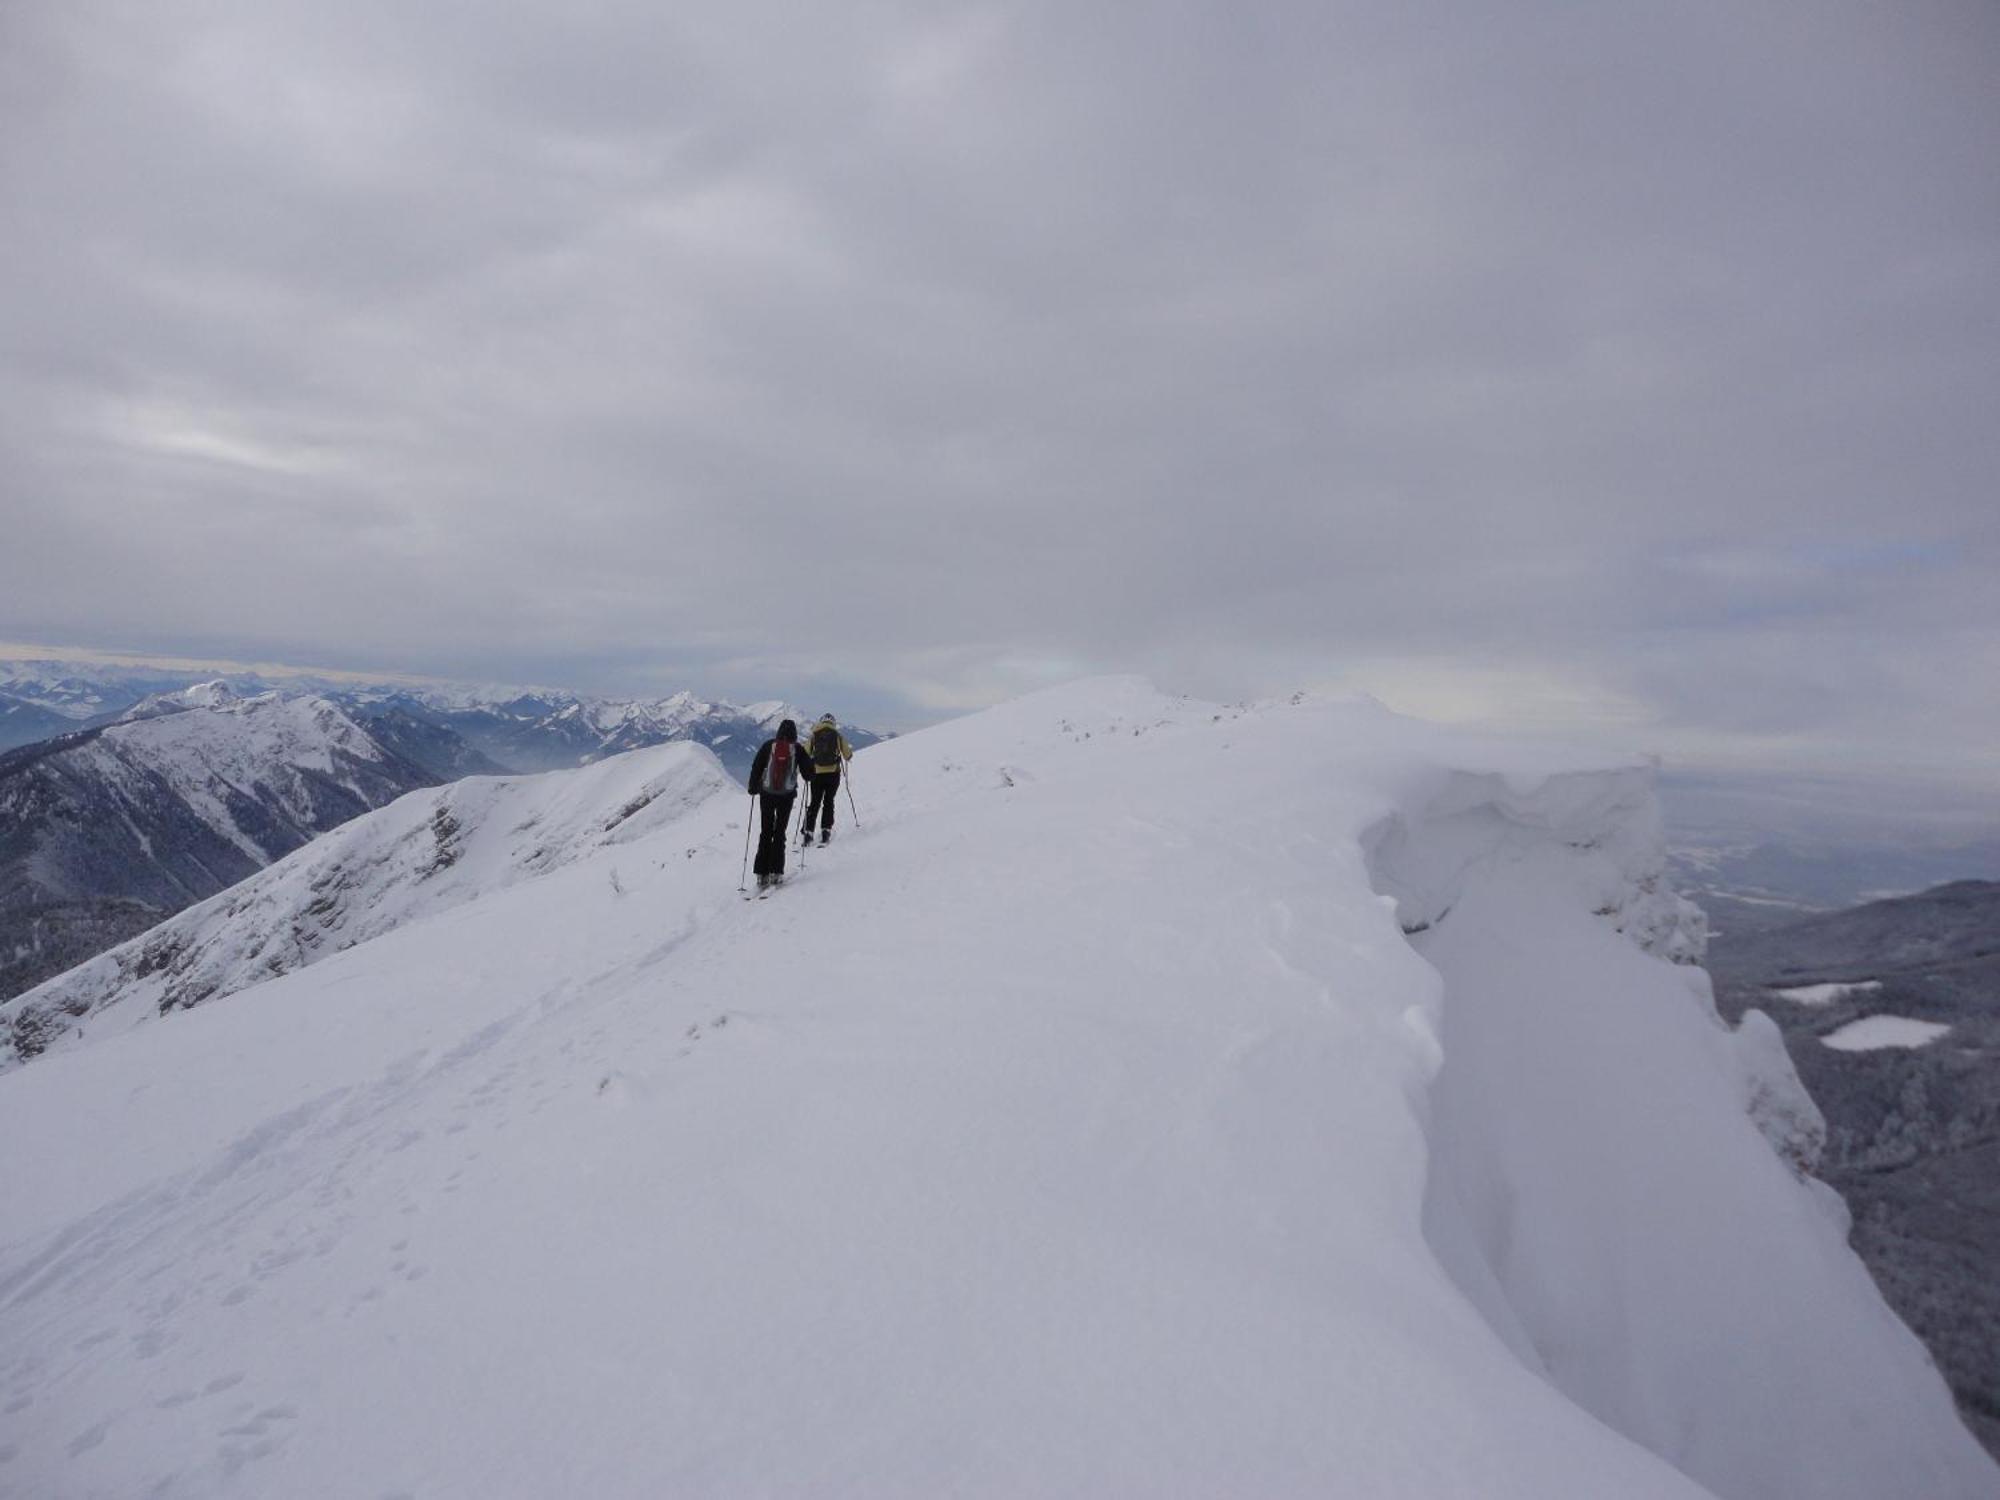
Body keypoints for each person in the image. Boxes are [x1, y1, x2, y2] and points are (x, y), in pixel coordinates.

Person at [746, 719, 812, 889]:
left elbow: (756, 766)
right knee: (780, 832)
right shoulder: (797, 749)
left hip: (767, 794)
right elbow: (808, 774)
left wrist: (753, 787)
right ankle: (776, 873)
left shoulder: (768, 745)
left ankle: (761, 874)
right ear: (795, 734)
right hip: (786, 796)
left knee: (766, 831)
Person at [800, 713, 853, 846]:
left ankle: (808, 833)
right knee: (828, 802)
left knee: (814, 803)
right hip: (833, 774)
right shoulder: (837, 736)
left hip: (816, 774)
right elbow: (848, 755)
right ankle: (825, 832)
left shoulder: (814, 735)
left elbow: (804, 753)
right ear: (833, 723)